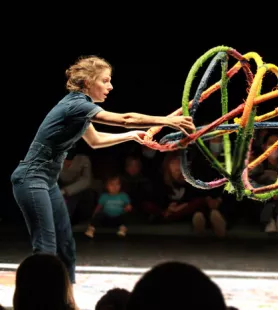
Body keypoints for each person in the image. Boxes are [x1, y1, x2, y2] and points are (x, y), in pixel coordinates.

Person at [10, 55, 195, 284]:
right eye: (105, 81)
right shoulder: (75, 104)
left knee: (66, 243)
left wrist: (129, 137)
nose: (110, 86)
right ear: (88, 82)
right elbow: (126, 119)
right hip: (31, 178)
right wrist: (168, 121)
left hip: (46, 181)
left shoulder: (80, 108)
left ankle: (67, 297)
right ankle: (41, 300)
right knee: (46, 246)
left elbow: (95, 141)